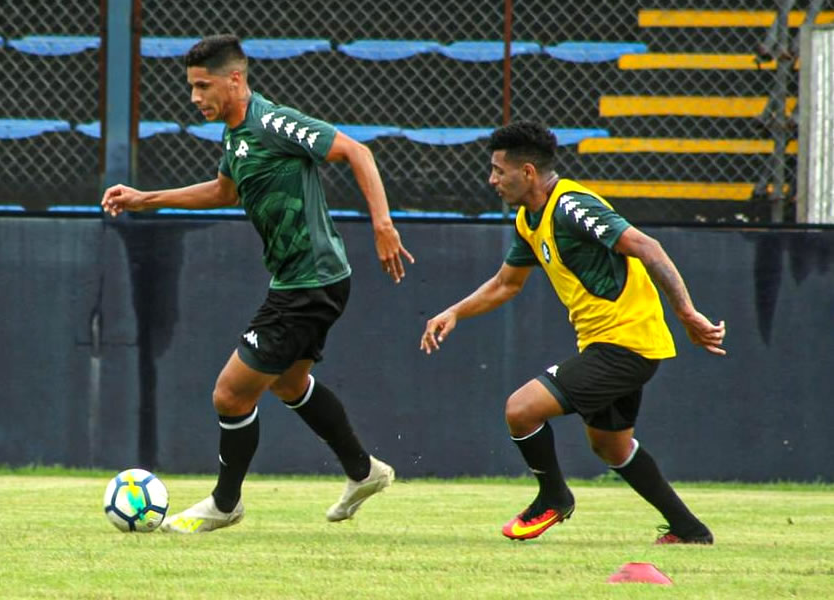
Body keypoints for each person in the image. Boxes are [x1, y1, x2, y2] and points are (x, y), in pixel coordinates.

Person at [102, 34, 414, 533]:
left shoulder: (273, 123)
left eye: (203, 86)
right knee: (289, 384)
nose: (194, 97)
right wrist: (146, 199)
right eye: (191, 87)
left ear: (235, 79)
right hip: (304, 281)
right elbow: (224, 191)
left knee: (229, 395)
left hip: (308, 283)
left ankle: (225, 503)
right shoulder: (235, 135)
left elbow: (358, 152)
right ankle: (363, 470)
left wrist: (383, 225)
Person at [419, 121, 725, 544]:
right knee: (611, 447)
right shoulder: (529, 219)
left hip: (626, 342)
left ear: (527, 172)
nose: (492, 180)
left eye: (498, 170)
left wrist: (686, 313)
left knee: (521, 410)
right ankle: (690, 530)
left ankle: (553, 498)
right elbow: (507, 284)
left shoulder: (572, 206)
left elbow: (646, 246)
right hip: (611, 344)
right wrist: (455, 312)